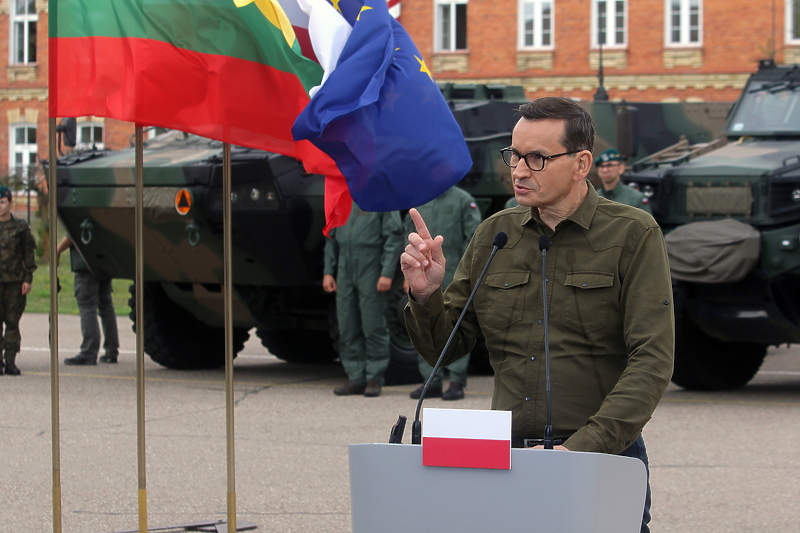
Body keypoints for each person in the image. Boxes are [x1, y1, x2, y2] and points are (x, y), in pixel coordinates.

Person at [401, 97, 674, 533]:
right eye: (514, 155)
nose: (519, 170)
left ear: (582, 163)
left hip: (599, 457)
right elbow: (444, 346)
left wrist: (582, 448)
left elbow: (652, 359)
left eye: (537, 158)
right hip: (502, 458)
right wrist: (426, 293)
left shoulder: (633, 234)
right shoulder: (496, 234)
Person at [405, 187, 482, 401]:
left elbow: (475, 239)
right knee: (425, 323)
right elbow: (408, 240)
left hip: (457, 273)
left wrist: (469, 272)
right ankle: (431, 380)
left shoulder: (463, 199)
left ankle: (457, 381)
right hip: (425, 273)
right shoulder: (421, 199)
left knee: (457, 325)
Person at [323, 202, 403, 397]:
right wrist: (328, 272)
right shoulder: (341, 200)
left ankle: (375, 377)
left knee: (372, 325)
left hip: (371, 266)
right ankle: (355, 377)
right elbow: (331, 239)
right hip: (345, 267)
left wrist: (386, 272)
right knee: (347, 325)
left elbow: (393, 236)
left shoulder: (379, 198)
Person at [56, 236, 120, 365]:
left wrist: (57, 250)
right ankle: (111, 350)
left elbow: (72, 235)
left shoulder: (82, 216)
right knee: (106, 306)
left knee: (87, 308)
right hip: (104, 261)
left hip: (86, 264)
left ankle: (88, 352)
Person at [0, 186, 37, 376]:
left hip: (14, 282)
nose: (0, 206)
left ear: (10, 203)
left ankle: (10, 361)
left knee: (12, 322)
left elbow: (28, 255)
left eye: (2, 202)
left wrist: (28, 279)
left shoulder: (20, 228)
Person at [595, 148, 652, 213]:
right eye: (601, 166)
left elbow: (646, 222)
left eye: (609, 165)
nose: (605, 170)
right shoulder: (594, 198)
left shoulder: (636, 198)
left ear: (621, 168)